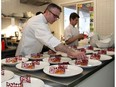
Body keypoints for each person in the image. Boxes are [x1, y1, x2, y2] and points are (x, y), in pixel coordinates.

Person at [15, 3, 86, 59]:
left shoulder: (43, 22)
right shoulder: (37, 22)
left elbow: (49, 40)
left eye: (57, 17)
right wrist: (72, 52)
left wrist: (70, 51)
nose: (55, 19)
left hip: (33, 55)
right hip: (24, 57)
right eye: (55, 16)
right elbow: (51, 40)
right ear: (47, 12)